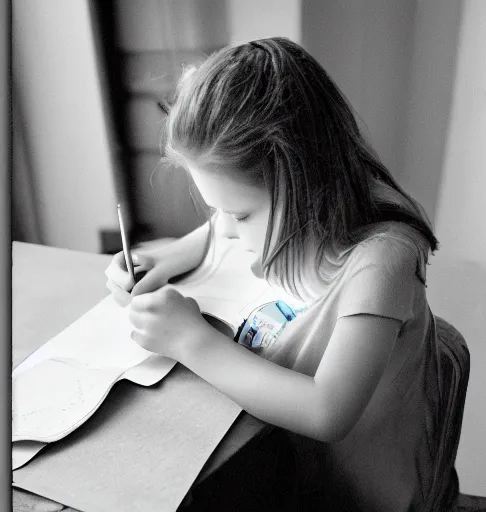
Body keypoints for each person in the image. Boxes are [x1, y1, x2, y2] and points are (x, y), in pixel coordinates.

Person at [105, 37, 458, 511]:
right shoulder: (293, 209)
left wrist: (191, 340)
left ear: (301, 182)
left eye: (242, 215)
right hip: (277, 457)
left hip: (355, 493)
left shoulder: (382, 258)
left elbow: (326, 410)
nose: (226, 230)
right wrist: (162, 260)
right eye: (218, 210)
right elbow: (217, 227)